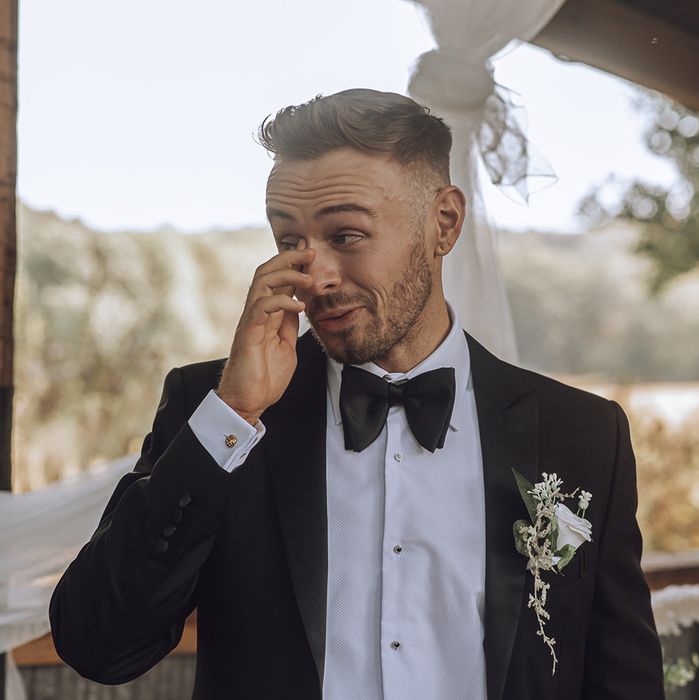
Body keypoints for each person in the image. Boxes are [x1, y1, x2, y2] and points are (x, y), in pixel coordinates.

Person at [49, 88, 665, 699]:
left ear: (443, 224)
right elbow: (99, 646)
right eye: (290, 240)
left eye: (345, 236)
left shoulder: (581, 435)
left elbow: (623, 678)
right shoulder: (211, 411)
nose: (312, 275)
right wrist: (232, 416)